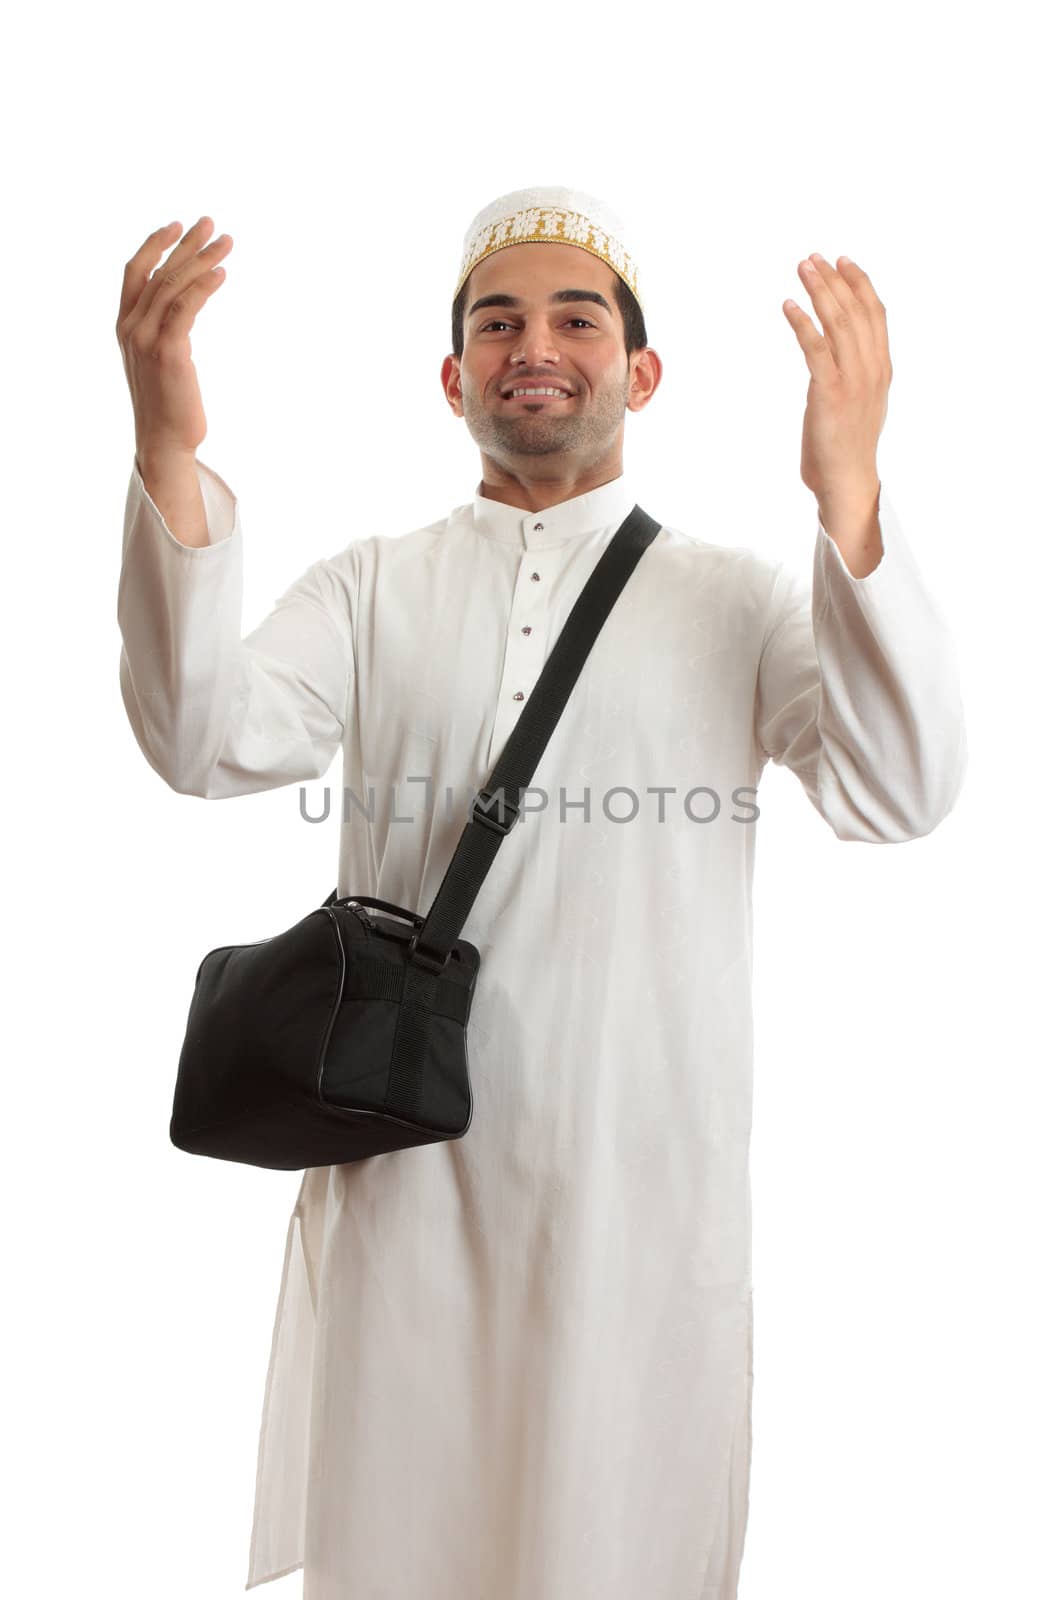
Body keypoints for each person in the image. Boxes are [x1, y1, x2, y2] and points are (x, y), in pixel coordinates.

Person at [115, 186, 967, 1599]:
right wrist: (167, 444)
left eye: (580, 318)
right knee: (401, 1542)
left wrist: (853, 499)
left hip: (639, 1199)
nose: (537, 344)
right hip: (408, 1188)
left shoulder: (737, 598)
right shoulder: (372, 585)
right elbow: (201, 738)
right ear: (454, 380)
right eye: (497, 321)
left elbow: (902, 790)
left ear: (641, 374)